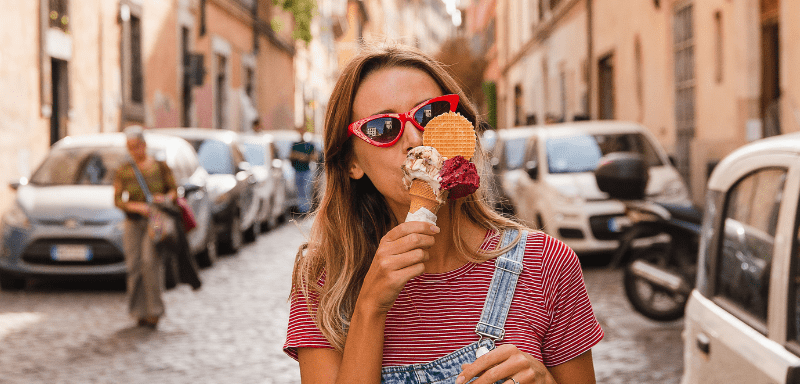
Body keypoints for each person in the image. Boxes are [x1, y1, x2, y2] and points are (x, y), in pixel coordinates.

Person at [283, 42, 603, 384]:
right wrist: (370, 307)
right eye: (382, 128)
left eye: (430, 114)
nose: (415, 137)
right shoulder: (323, 282)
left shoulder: (546, 264)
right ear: (351, 162)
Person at [113, 126, 178, 329]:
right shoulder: (124, 169)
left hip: (155, 219)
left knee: (150, 262)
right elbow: (117, 199)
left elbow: (174, 191)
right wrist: (135, 206)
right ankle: (138, 312)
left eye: (137, 146)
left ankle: (155, 312)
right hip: (133, 221)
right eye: (130, 147)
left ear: (144, 145)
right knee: (134, 265)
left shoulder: (160, 167)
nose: (134, 151)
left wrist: (164, 198)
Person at [289, 128, 317, 213]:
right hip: (297, 171)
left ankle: (306, 210)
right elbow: (292, 155)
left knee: (306, 191)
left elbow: (315, 157)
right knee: (299, 191)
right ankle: (301, 209)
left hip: (306, 171)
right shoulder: (295, 144)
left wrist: (301, 157)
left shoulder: (309, 144)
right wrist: (304, 157)